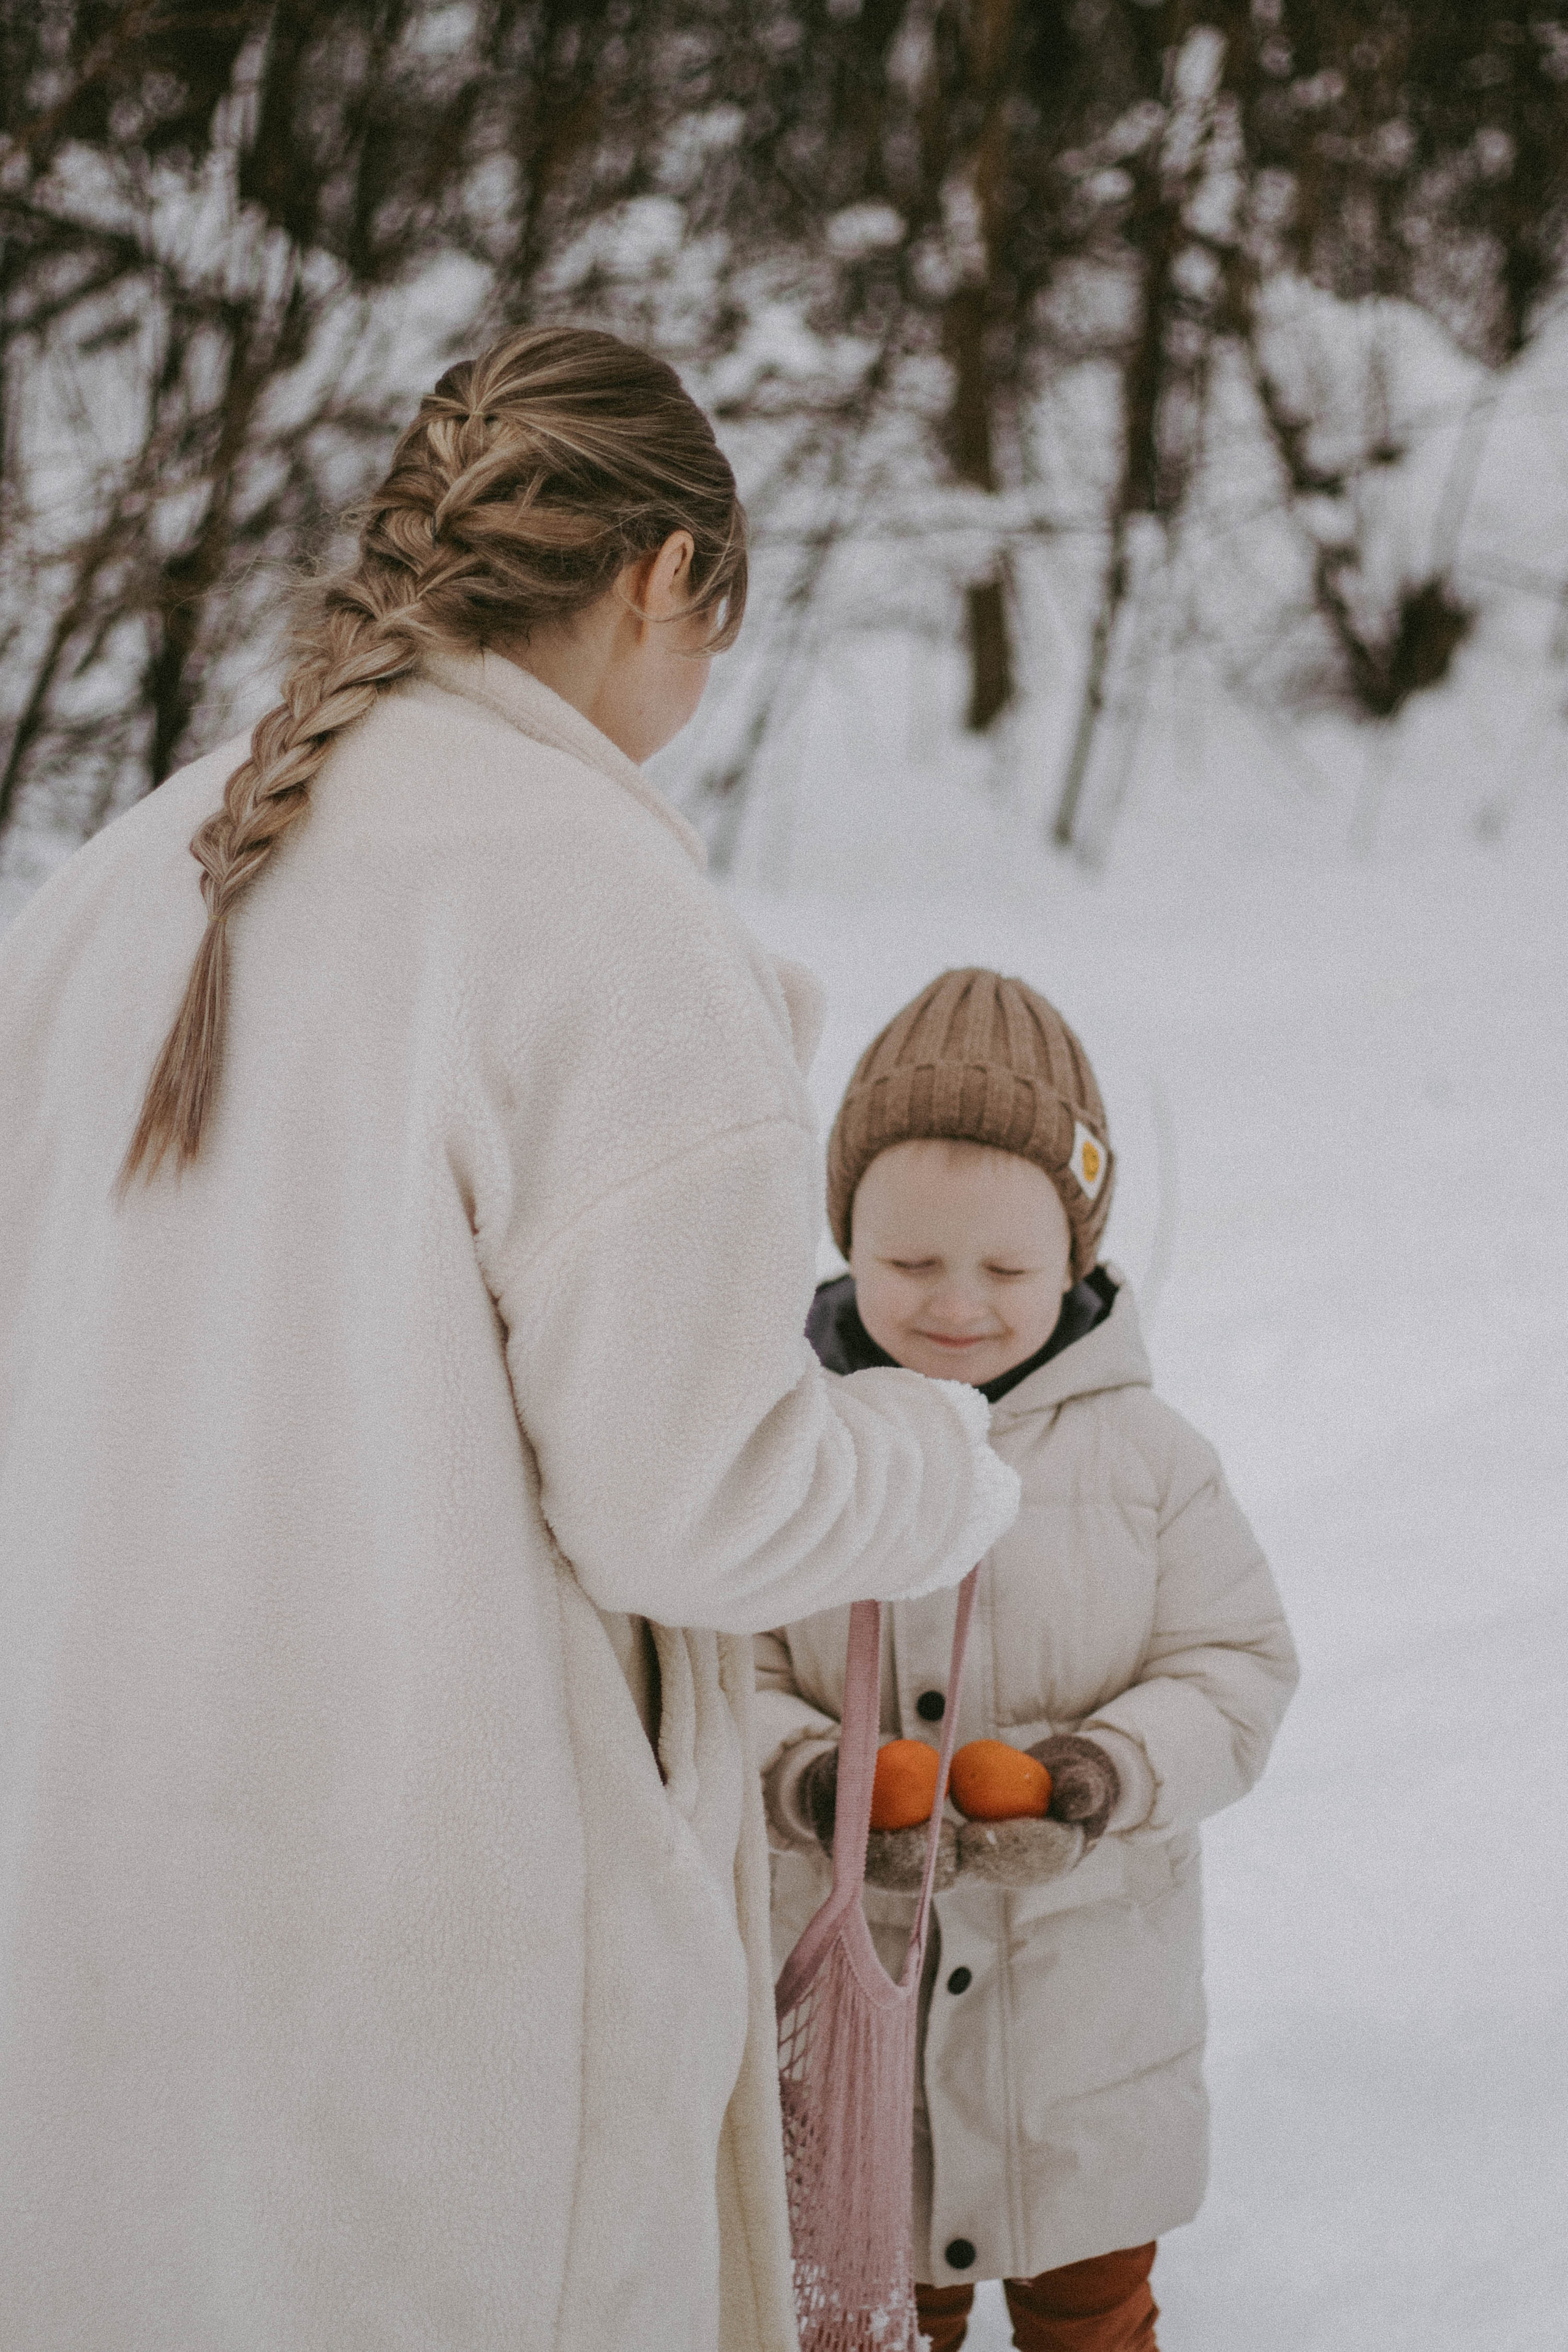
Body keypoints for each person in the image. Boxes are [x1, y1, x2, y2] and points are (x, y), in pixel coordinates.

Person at [0, 332, 1021, 2352]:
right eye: (716, 627)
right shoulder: (597, 903)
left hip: (83, 1921)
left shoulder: (119, 879)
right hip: (431, 1962)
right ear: (662, 576)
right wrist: (940, 1459)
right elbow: (699, 1498)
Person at [756, 968, 1298, 2352]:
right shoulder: (790, 1454)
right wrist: (816, 1781)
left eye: (1004, 1269)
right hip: (852, 2024)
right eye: (908, 1264)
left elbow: (1232, 1666)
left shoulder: (1146, 1461)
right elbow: (717, 1680)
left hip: (1084, 2028)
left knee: (1090, 2311)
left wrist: (1095, 1773)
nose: (955, 1305)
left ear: (1074, 1259)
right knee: (875, 2306)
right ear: (843, 1240)